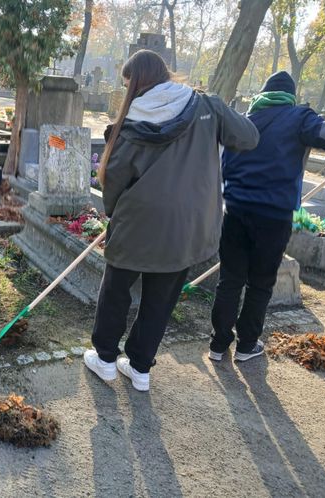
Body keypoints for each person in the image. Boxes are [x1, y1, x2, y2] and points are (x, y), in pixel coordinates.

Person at [83, 50, 259, 391]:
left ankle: (105, 359)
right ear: (165, 74)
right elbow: (249, 138)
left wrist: (112, 214)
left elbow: (115, 176)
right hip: (187, 225)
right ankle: (140, 369)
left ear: (136, 83)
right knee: (161, 298)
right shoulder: (208, 107)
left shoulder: (131, 122)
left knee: (116, 290)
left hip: (138, 220)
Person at [209, 71, 325, 363]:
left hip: (235, 211)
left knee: (230, 278)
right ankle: (247, 345)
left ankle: (218, 343)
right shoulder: (299, 118)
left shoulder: (243, 120)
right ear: (290, 96)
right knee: (260, 282)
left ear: (263, 94)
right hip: (273, 216)